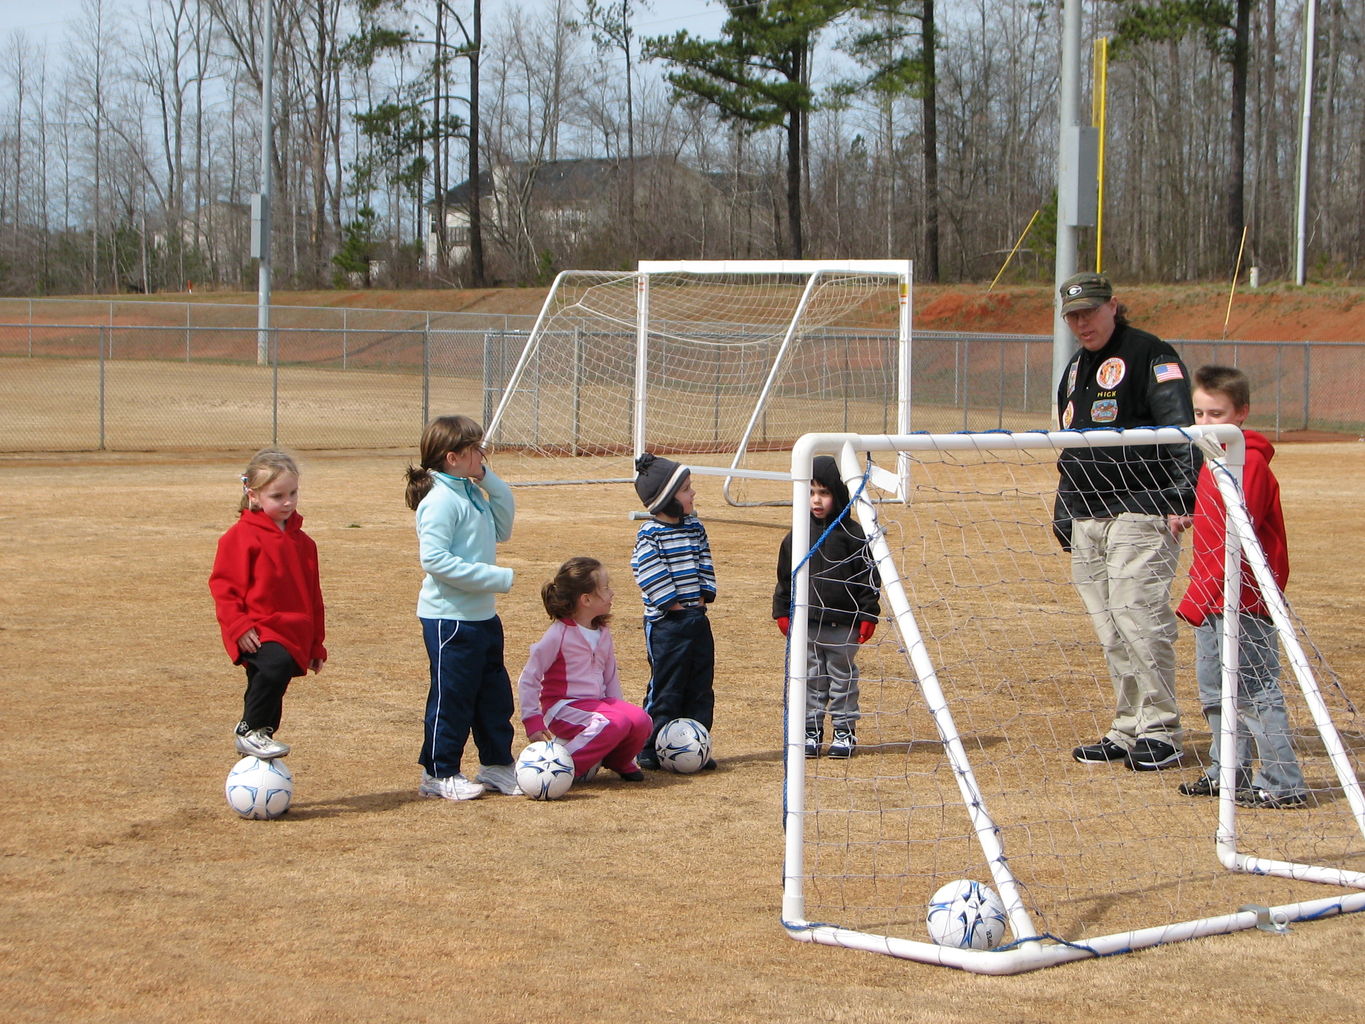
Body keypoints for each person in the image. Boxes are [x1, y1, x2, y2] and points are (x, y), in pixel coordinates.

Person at [1053, 272, 1200, 771]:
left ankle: (1161, 729)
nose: (1081, 323)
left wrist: (1183, 492)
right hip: (1088, 514)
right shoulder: (1074, 369)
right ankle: (1127, 727)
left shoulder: (1151, 354)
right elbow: (1071, 446)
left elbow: (1181, 428)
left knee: (1140, 618)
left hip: (1142, 506)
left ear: (1114, 306)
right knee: (1110, 629)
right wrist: (1064, 505)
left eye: (1089, 312)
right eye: (1072, 315)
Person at [1176, 366, 1306, 809]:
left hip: (1244, 599)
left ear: (1243, 412)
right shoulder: (1212, 457)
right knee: (1213, 688)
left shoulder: (1244, 459)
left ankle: (1282, 781)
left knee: (1253, 689)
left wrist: (1199, 597)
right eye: (1199, 412)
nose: (1206, 422)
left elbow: (1239, 532)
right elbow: (1216, 524)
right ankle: (1225, 770)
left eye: (1218, 413)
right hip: (1213, 596)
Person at [404, 415, 520, 801]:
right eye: (474, 450)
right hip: (448, 619)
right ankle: (439, 773)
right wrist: (496, 578)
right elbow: (434, 560)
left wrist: (487, 478)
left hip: (483, 617)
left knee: (494, 696)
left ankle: (497, 766)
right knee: (452, 697)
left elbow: (503, 525)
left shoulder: (471, 492)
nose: (481, 455)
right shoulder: (439, 501)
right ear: (452, 457)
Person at [209, 449, 327, 760]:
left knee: (277, 681)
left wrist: (316, 645)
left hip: (295, 631)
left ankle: (260, 738)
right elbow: (224, 588)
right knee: (273, 667)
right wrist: (238, 626)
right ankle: (248, 730)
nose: (288, 501)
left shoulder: (305, 544)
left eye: (293, 493)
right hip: (259, 629)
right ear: (254, 496)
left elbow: (313, 597)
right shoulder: (238, 538)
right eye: (278, 496)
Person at [773, 455, 881, 759]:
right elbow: (784, 578)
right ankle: (811, 730)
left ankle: (845, 732)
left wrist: (868, 612)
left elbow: (869, 576)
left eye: (824, 492)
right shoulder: (797, 535)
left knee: (843, 681)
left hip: (843, 626)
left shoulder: (854, 535)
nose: (816, 500)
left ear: (838, 492)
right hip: (807, 625)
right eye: (810, 492)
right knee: (811, 680)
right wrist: (782, 611)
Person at [518, 557, 652, 782]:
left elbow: (610, 677)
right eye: (606, 588)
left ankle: (617, 760)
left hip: (598, 705)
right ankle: (559, 767)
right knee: (610, 723)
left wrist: (621, 714)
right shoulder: (558, 634)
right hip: (562, 707)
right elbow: (529, 677)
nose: (612, 594)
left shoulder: (603, 632)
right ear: (586, 599)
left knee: (641, 720)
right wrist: (532, 720)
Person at [630, 453, 717, 770]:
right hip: (667, 624)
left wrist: (704, 595)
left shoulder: (694, 527)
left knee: (700, 685)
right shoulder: (649, 535)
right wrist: (674, 605)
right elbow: (647, 571)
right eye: (686, 489)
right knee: (666, 685)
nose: (693, 493)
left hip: (697, 620)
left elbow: (704, 560)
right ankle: (649, 745)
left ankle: (695, 744)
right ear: (666, 499)